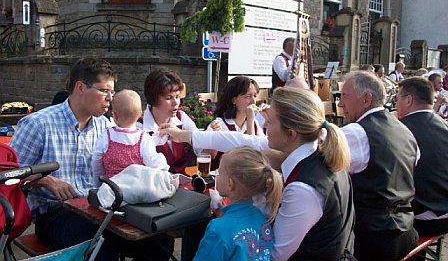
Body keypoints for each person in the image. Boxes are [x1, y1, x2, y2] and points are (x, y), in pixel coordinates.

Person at [161, 87, 355, 260]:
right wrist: (184, 136)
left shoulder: (303, 189)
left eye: (269, 123)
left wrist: (228, 225)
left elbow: (274, 254)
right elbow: (239, 140)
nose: (263, 128)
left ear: (291, 134)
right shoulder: (316, 149)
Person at [10, 58, 173, 261]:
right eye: (105, 91)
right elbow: (9, 174)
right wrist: (45, 180)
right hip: (55, 215)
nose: (110, 99)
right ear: (81, 87)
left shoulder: (105, 127)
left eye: (112, 92)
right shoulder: (38, 124)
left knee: (160, 243)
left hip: (99, 208)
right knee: (101, 248)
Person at [338, 70, 419, 261]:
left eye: (344, 97)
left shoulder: (356, 133)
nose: (340, 104)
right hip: (406, 230)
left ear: (366, 98)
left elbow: (315, 154)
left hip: (372, 238)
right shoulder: (404, 130)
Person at [193, 146, 283, 261]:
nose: (217, 176)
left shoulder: (217, 229)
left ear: (230, 184)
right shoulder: (264, 219)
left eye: (219, 173)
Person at [396, 77, 448, 240]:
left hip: (422, 219)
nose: (396, 104)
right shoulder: (444, 125)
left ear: (409, 100)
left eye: (397, 98)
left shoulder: (401, 130)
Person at [91, 89, 169, 187]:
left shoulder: (106, 136)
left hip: (112, 188)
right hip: (136, 188)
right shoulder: (143, 138)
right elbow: (153, 163)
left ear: (114, 115)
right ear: (141, 113)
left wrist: (97, 184)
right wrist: (163, 165)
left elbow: (96, 162)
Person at [142, 68, 200, 174]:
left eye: (177, 97)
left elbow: (201, 146)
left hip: (182, 184)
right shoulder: (139, 126)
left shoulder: (181, 117)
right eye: (169, 98)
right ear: (153, 98)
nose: (176, 103)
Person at [204, 76, 265, 170]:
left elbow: (258, 153)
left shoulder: (254, 123)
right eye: (248, 96)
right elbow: (207, 156)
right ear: (234, 100)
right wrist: (214, 138)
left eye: (255, 96)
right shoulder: (220, 124)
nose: (253, 101)